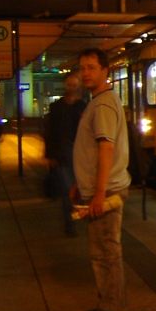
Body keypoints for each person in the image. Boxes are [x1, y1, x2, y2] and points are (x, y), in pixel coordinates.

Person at [70, 47, 131, 311]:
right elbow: (92, 151)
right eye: (82, 68)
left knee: (106, 255)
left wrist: (97, 193)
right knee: (105, 253)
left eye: (91, 67)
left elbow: (106, 149)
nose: (85, 73)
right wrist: (80, 183)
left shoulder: (103, 104)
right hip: (100, 189)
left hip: (106, 192)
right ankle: (108, 306)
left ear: (105, 71)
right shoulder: (99, 101)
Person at [45, 72, 87, 236]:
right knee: (66, 189)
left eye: (74, 85)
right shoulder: (56, 107)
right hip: (62, 153)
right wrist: (50, 155)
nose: (71, 88)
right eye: (69, 85)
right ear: (65, 86)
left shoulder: (83, 107)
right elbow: (50, 132)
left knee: (81, 188)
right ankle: (70, 223)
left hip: (80, 154)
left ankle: (77, 215)